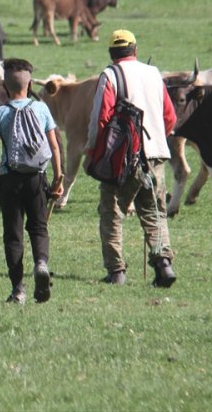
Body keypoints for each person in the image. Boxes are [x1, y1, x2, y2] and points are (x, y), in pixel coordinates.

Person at [84, 29, 177, 287]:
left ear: (112, 53)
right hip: (156, 155)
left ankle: (116, 271)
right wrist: (157, 138)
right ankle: (163, 263)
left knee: (112, 212)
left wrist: (93, 151)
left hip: (122, 159)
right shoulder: (154, 74)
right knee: (155, 212)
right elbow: (170, 117)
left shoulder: (110, 75)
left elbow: (101, 119)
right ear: (135, 49)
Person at [0, 58, 63, 304]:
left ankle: (18, 290)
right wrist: (58, 178)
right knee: (38, 227)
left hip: (9, 180)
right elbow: (54, 147)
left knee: (12, 234)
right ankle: (42, 264)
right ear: (31, 83)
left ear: (4, 85)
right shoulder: (42, 109)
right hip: (37, 178)